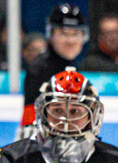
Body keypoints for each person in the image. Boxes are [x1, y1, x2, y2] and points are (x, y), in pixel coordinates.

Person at [20, 3, 89, 137]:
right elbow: (29, 123)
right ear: (50, 34)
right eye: (64, 33)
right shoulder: (39, 69)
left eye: (75, 33)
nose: (70, 40)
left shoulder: (76, 68)